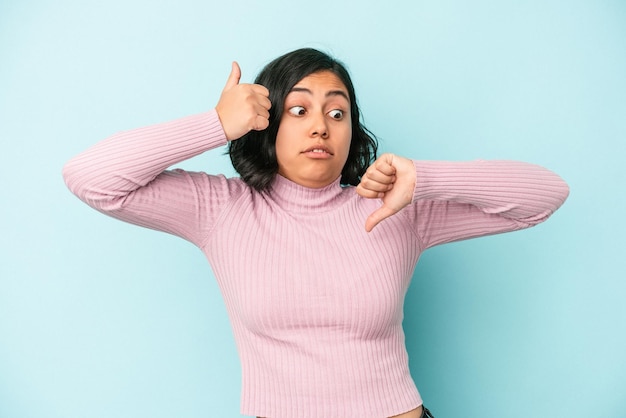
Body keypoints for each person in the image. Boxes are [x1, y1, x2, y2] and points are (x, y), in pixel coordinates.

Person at [62, 48, 569, 418]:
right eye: (299, 109)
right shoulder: (222, 209)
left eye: (337, 112)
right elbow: (92, 178)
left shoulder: (395, 210)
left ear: (352, 131)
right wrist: (215, 124)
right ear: (266, 125)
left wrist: (428, 178)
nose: (320, 126)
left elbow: (545, 196)